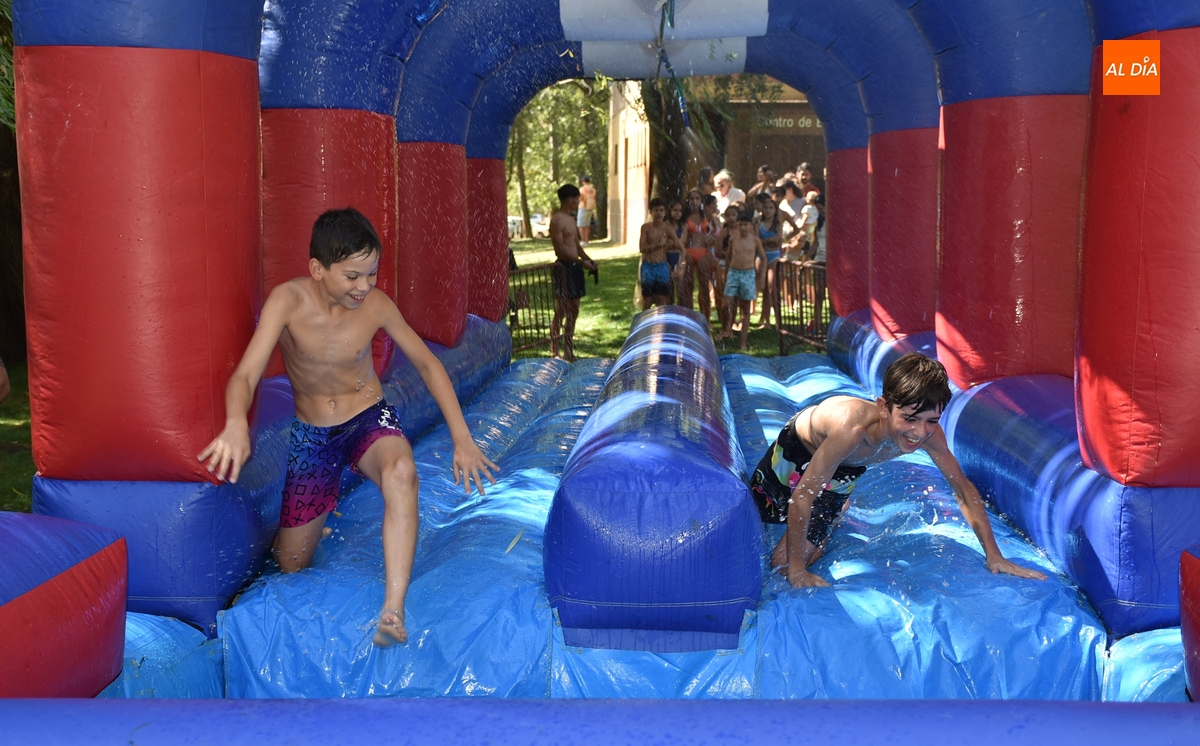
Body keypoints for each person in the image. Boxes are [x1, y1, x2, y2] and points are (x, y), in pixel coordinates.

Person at [197, 208, 499, 648]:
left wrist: (462, 438)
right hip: (314, 438)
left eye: (371, 274)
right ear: (318, 270)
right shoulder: (288, 302)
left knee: (402, 473)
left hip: (367, 420)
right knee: (292, 564)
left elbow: (429, 365)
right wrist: (234, 424)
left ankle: (393, 610)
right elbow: (244, 375)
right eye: (353, 276)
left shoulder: (375, 305)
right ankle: (322, 509)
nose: (365, 287)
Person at [749, 352, 1048, 588]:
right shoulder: (852, 429)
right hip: (798, 450)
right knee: (763, 519)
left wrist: (994, 556)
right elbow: (802, 497)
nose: (919, 432)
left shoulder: (931, 435)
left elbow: (963, 488)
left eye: (931, 420)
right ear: (883, 407)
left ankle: (837, 508)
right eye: (909, 418)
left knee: (782, 563)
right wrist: (800, 574)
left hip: (841, 474)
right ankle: (834, 509)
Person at [551, 184, 598, 362]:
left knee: (574, 311)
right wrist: (581, 262)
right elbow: (560, 251)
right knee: (561, 311)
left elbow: (576, 245)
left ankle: (568, 351)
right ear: (568, 199)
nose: (578, 202)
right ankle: (554, 351)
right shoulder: (557, 220)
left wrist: (588, 260)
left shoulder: (571, 219)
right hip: (563, 268)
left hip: (575, 268)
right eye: (576, 198)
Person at [721, 208, 767, 350]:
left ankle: (743, 342)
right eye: (741, 225)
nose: (743, 227)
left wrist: (762, 277)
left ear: (751, 225)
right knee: (725, 304)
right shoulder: (733, 239)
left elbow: (764, 259)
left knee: (745, 308)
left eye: (745, 224)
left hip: (748, 274)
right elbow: (728, 257)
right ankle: (726, 329)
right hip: (734, 273)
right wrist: (726, 273)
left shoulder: (755, 241)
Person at [638, 198, 676, 309]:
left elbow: (679, 244)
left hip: (662, 266)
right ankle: (644, 324)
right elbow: (642, 248)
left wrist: (669, 245)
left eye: (661, 210)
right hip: (648, 267)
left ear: (665, 212)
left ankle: (662, 325)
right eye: (656, 210)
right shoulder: (646, 227)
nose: (659, 213)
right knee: (648, 300)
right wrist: (660, 245)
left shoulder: (667, 228)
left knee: (662, 300)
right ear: (651, 212)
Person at [577, 176, 598, 244]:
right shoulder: (593, 189)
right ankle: (587, 240)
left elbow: (581, 198)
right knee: (587, 225)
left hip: (583, 207)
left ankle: (583, 240)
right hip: (590, 208)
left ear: (583, 181)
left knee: (580, 225)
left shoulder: (582, 189)